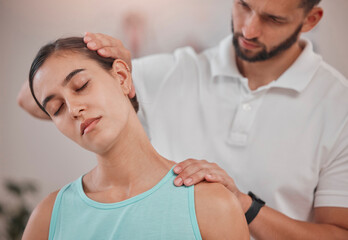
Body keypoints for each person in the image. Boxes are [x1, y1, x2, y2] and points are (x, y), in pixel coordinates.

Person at [18, 0, 348, 239]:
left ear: (310, 19)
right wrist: (86, 63)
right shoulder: (173, 72)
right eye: (243, 5)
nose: (248, 28)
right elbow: (32, 98)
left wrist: (243, 206)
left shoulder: (339, 106)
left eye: (273, 19)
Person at [21, 37, 249, 240]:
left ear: (121, 77)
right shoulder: (49, 217)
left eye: (81, 86)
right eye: (57, 108)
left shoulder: (211, 203)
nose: (73, 109)